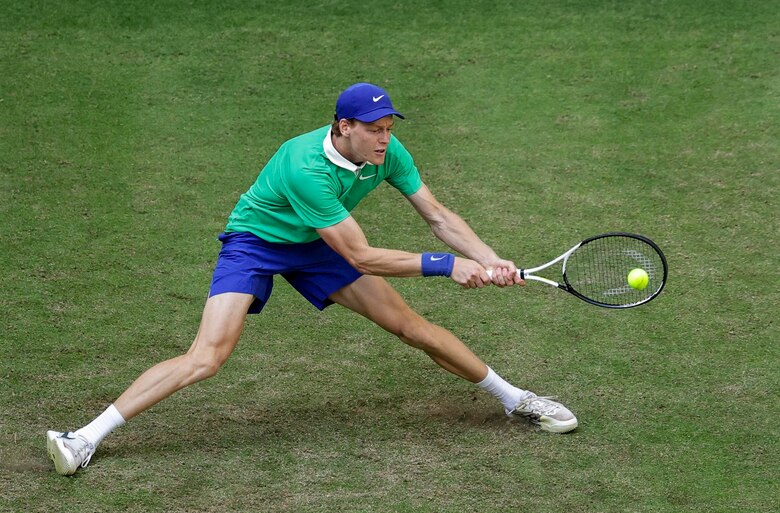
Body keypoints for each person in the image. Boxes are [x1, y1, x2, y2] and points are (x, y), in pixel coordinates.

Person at [47, 82, 577, 476]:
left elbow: (436, 215)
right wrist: (446, 265)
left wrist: (489, 258)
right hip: (257, 244)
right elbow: (360, 254)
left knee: (411, 327)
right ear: (342, 126)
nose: (384, 140)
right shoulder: (305, 164)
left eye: (389, 128)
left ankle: (516, 399)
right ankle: (84, 438)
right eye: (374, 129)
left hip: (317, 246)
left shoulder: (387, 154)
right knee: (207, 357)